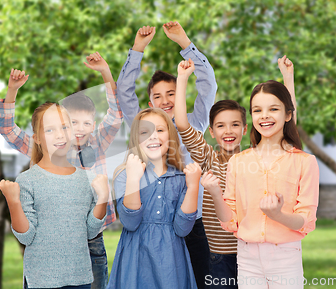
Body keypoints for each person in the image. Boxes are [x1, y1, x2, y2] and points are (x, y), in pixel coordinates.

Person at [0, 52, 122, 289]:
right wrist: (12, 92)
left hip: (91, 240)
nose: (78, 130)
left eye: (85, 123)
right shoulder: (47, 150)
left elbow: (115, 115)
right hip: (48, 246)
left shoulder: (97, 142)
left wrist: (105, 72)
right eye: (69, 123)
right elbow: (9, 130)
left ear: (93, 124)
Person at [175, 57, 296, 288]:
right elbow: (181, 123)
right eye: (220, 125)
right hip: (218, 257)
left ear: (244, 129)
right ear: (211, 131)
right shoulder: (208, 157)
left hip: (252, 253)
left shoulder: (256, 158)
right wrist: (182, 79)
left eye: (234, 125)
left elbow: (287, 127)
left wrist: (287, 78)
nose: (228, 131)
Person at [116, 22, 216, 287]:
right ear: (150, 104)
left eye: (172, 93)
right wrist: (137, 49)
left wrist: (185, 43)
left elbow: (208, 85)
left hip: (191, 222)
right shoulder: (143, 126)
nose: (165, 100)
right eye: (158, 96)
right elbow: (124, 94)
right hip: (148, 225)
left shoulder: (193, 124)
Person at [202, 80, 319, 289]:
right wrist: (215, 194)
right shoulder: (238, 162)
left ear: (288, 115)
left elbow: (306, 221)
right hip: (247, 257)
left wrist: (278, 215)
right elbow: (230, 221)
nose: (264, 115)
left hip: (285, 256)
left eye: (273, 109)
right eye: (257, 110)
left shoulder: (304, 162)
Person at [0, 102, 108, 289]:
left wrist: (103, 198)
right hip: (41, 281)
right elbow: (26, 236)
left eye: (65, 127)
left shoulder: (87, 179)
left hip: (80, 279)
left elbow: (90, 231)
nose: (60, 134)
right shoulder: (27, 180)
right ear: (37, 138)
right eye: (50, 130)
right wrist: (13, 201)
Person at [107, 108, 202, 289]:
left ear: (170, 135)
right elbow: (130, 222)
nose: (153, 136)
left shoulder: (182, 178)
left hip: (171, 263)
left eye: (159, 130)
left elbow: (182, 229)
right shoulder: (124, 174)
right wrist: (134, 179)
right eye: (145, 132)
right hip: (135, 259)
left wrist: (193, 187)